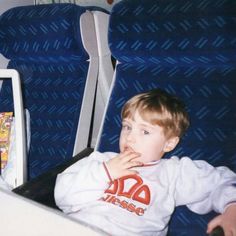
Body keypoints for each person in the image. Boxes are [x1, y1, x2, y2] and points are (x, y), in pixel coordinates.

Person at [54, 89, 236, 236]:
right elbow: (62, 195)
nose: (130, 137)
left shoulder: (173, 172)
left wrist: (232, 209)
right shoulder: (101, 160)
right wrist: (104, 173)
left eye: (145, 132)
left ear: (169, 143)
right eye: (127, 127)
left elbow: (220, 181)